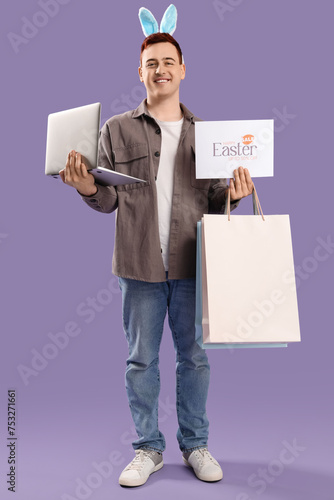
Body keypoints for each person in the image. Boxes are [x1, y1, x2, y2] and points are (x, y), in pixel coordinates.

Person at [60, 29, 254, 487]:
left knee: (195, 358)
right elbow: (109, 201)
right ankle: (148, 448)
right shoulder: (116, 130)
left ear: (182, 70)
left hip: (192, 263)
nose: (160, 69)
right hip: (138, 262)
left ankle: (195, 444)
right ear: (140, 73)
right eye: (152, 63)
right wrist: (87, 187)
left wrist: (235, 196)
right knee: (141, 361)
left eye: (168, 62)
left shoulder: (207, 135)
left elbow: (213, 203)